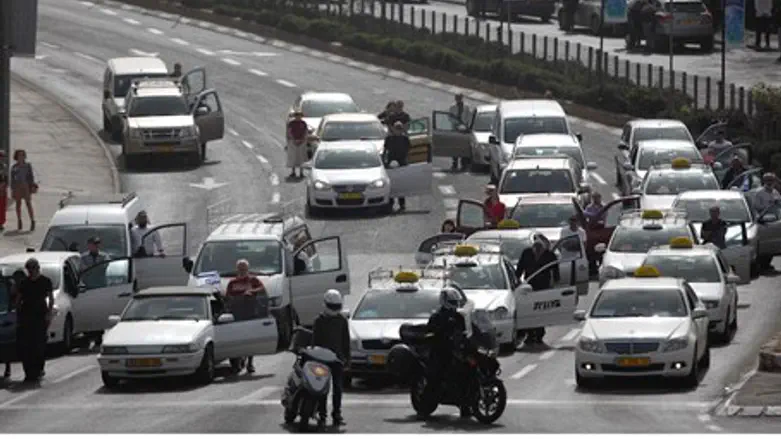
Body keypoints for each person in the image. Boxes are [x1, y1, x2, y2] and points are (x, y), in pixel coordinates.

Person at [425, 286, 471, 418]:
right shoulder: (437, 316)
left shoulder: (459, 317)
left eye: (456, 302)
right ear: (444, 301)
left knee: (467, 369)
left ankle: (466, 404)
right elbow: (431, 332)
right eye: (452, 302)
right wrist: (440, 335)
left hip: (457, 350)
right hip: (441, 350)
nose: (455, 305)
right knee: (436, 374)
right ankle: (427, 402)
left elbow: (467, 330)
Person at [312, 289, 350, 427]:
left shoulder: (342, 320)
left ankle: (337, 414)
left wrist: (347, 359)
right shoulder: (319, 320)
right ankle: (322, 415)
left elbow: (346, 341)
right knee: (322, 389)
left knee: (338, 388)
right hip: (322, 360)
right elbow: (314, 342)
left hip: (337, 360)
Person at [225, 259, 267, 374]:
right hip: (236, 315)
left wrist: (251, 291)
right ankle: (238, 363)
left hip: (250, 314)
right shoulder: (232, 282)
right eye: (240, 268)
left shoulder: (253, 280)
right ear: (237, 269)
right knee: (237, 339)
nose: (242, 271)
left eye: (244, 268)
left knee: (250, 339)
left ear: (247, 269)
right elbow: (228, 297)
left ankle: (250, 363)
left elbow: (262, 288)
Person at [515, 238, 560, 344]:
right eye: (536, 249)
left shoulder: (550, 255)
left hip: (543, 288)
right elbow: (520, 268)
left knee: (540, 311)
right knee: (529, 311)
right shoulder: (526, 253)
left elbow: (555, 270)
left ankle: (539, 334)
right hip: (529, 287)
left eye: (540, 249)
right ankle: (530, 335)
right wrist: (516, 281)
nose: (538, 251)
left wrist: (556, 285)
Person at [16, 258, 54, 383]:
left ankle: (38, 369)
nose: (31, 272)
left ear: (38, 268)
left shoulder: (45, 281)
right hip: (26, 317)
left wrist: (49, 313)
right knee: (26, 346)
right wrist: (18, 314)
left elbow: (50, 298)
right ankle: (28, 372)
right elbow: (18, 299)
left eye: (33, 269)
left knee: (39, 345)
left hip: (40, 316)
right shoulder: (24, 283)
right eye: (29, 269)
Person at [382, 121, 412, 212]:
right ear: (394, 129)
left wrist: (406, 162)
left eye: (400, 129)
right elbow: (385, 150)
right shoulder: (389, 139)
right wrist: (385, 163)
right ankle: (390, 204)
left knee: (401, 185)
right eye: (396, 128)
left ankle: (402, 205)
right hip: (390, 164)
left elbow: (408, 150)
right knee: (391, 185)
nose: (398, 131)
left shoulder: (405, 139)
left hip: (401, 163)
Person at [10, 149, 36, 232]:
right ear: (16, 157)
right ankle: (19, 221)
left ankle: (32, 221)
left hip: (26, 186)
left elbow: (31, 177)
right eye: (19, 155)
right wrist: (13, 189)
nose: (21, 157)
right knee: (18, 204)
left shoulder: (27, 166)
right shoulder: (14, 167)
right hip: (17, 186)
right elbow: (12, 179)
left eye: (22, 155)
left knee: (28, 204)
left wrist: (32, 186)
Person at [448, 93, 473, 171]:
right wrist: (457, 124)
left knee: (463, 147)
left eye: (459, 98)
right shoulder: (452, 107)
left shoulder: (467, 107)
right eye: (456, 98)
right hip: (455, 129)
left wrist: (466, 126)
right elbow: (450, 118)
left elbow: (469, 117)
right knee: (455, 147)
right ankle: (454, 164)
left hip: (464, 130)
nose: (458, 99)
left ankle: (464, 165)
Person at [286, 110, 309, 179]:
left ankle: (301, 173)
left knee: (301, 157)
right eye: (297, 116)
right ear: (295, 116)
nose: (298, 117)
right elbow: (289, 132)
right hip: (293, 142)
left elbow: (305, 132)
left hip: (302, 142)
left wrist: (302, 140)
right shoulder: (291, 123)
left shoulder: (303, 123)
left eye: (299, 116)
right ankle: (293, 172)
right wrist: (293, 140)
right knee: (293, 157)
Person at [0, 152, 7, 232]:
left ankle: (1, 223)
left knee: (2, 206)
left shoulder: (4, 166)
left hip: (2, 188)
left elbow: (5, 178)